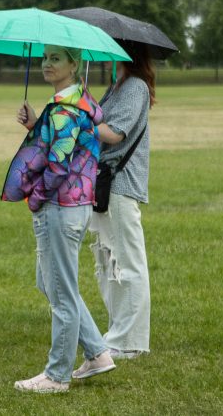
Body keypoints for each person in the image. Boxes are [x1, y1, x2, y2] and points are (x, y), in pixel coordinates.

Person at [2, 45, 115, 394]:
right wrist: (38, 123)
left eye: (56, 58)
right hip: (76, 205)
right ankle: (96, 353)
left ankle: (56, 376)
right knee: (49, 281)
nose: (47, 64)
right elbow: (72, 144)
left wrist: (35, 198)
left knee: (61, 293)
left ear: (73, 64)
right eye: (45, 58)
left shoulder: (65, 110)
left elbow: (58, 165)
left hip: (61, 206)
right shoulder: (77, 103)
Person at [90, 41, 155, 361]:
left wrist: (83, 117)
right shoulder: (116, 86)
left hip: (121, 184)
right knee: (108, 262)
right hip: (105, 183)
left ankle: (131, 341)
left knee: (127, 263)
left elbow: (114, 133)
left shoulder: (135, 87)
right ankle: (118, 333)